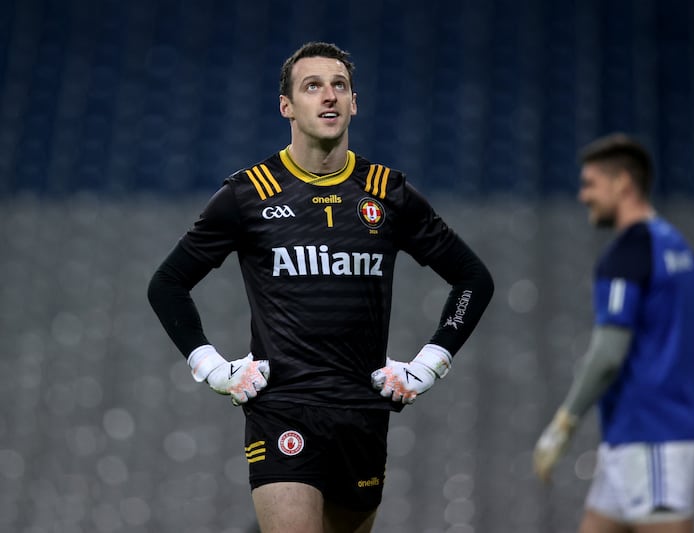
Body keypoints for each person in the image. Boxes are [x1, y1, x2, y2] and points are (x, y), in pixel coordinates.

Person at [147, 41, 493, 533]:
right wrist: (212, 368)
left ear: (354, 103)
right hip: (283, 407)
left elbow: (473, 279)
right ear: (287, 106)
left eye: (339, 86)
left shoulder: (387, 192)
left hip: (364, 412)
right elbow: (167, 284)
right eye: (313, 86)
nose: (328, 96)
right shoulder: (249, 194)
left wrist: (429, 366)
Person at [532, 133, 694, 532]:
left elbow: (608, 353)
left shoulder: (626, 254)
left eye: (590, 184)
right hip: (631, 440)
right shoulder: (678, 246)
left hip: (652, 440)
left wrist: (563, 424)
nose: (583, 196)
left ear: (623, 184)